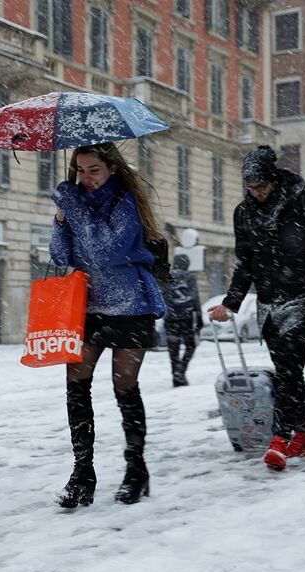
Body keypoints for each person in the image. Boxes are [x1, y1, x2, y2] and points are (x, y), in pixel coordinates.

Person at [208, 145, 305, 472]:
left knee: (288, 368)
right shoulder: (243, 212)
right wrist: (230, 303)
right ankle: (303, 435)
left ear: (273, 179)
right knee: (290, 371)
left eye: (261, 186)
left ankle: (280, 438)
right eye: (251, 188)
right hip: (268, 300)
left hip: (302, 294)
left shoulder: (304, 199)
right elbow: (244, 262)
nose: (256, 193)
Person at [49, 142, 166, 508]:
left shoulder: (127, 202)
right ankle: (82, 472)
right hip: (88, 307)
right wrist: (60, 220)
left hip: (131, 305)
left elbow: (107, 252)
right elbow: (59, 254)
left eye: (93, 170)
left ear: (112, 169)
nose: (85, 178)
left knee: (124, 385)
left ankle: (136, 468)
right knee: (76, 383)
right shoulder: (76, 203)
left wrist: (72, 206)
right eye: (80, 170)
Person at [163, 253, 202, 387]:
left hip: (170, 319)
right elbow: (195, 297)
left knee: (173, 349)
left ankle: (176, 375)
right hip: (187, 318)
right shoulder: (190, 276)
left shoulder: (167, 276)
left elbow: (164, 297)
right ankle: (181, 369)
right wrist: (199, 316)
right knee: (191, 346)